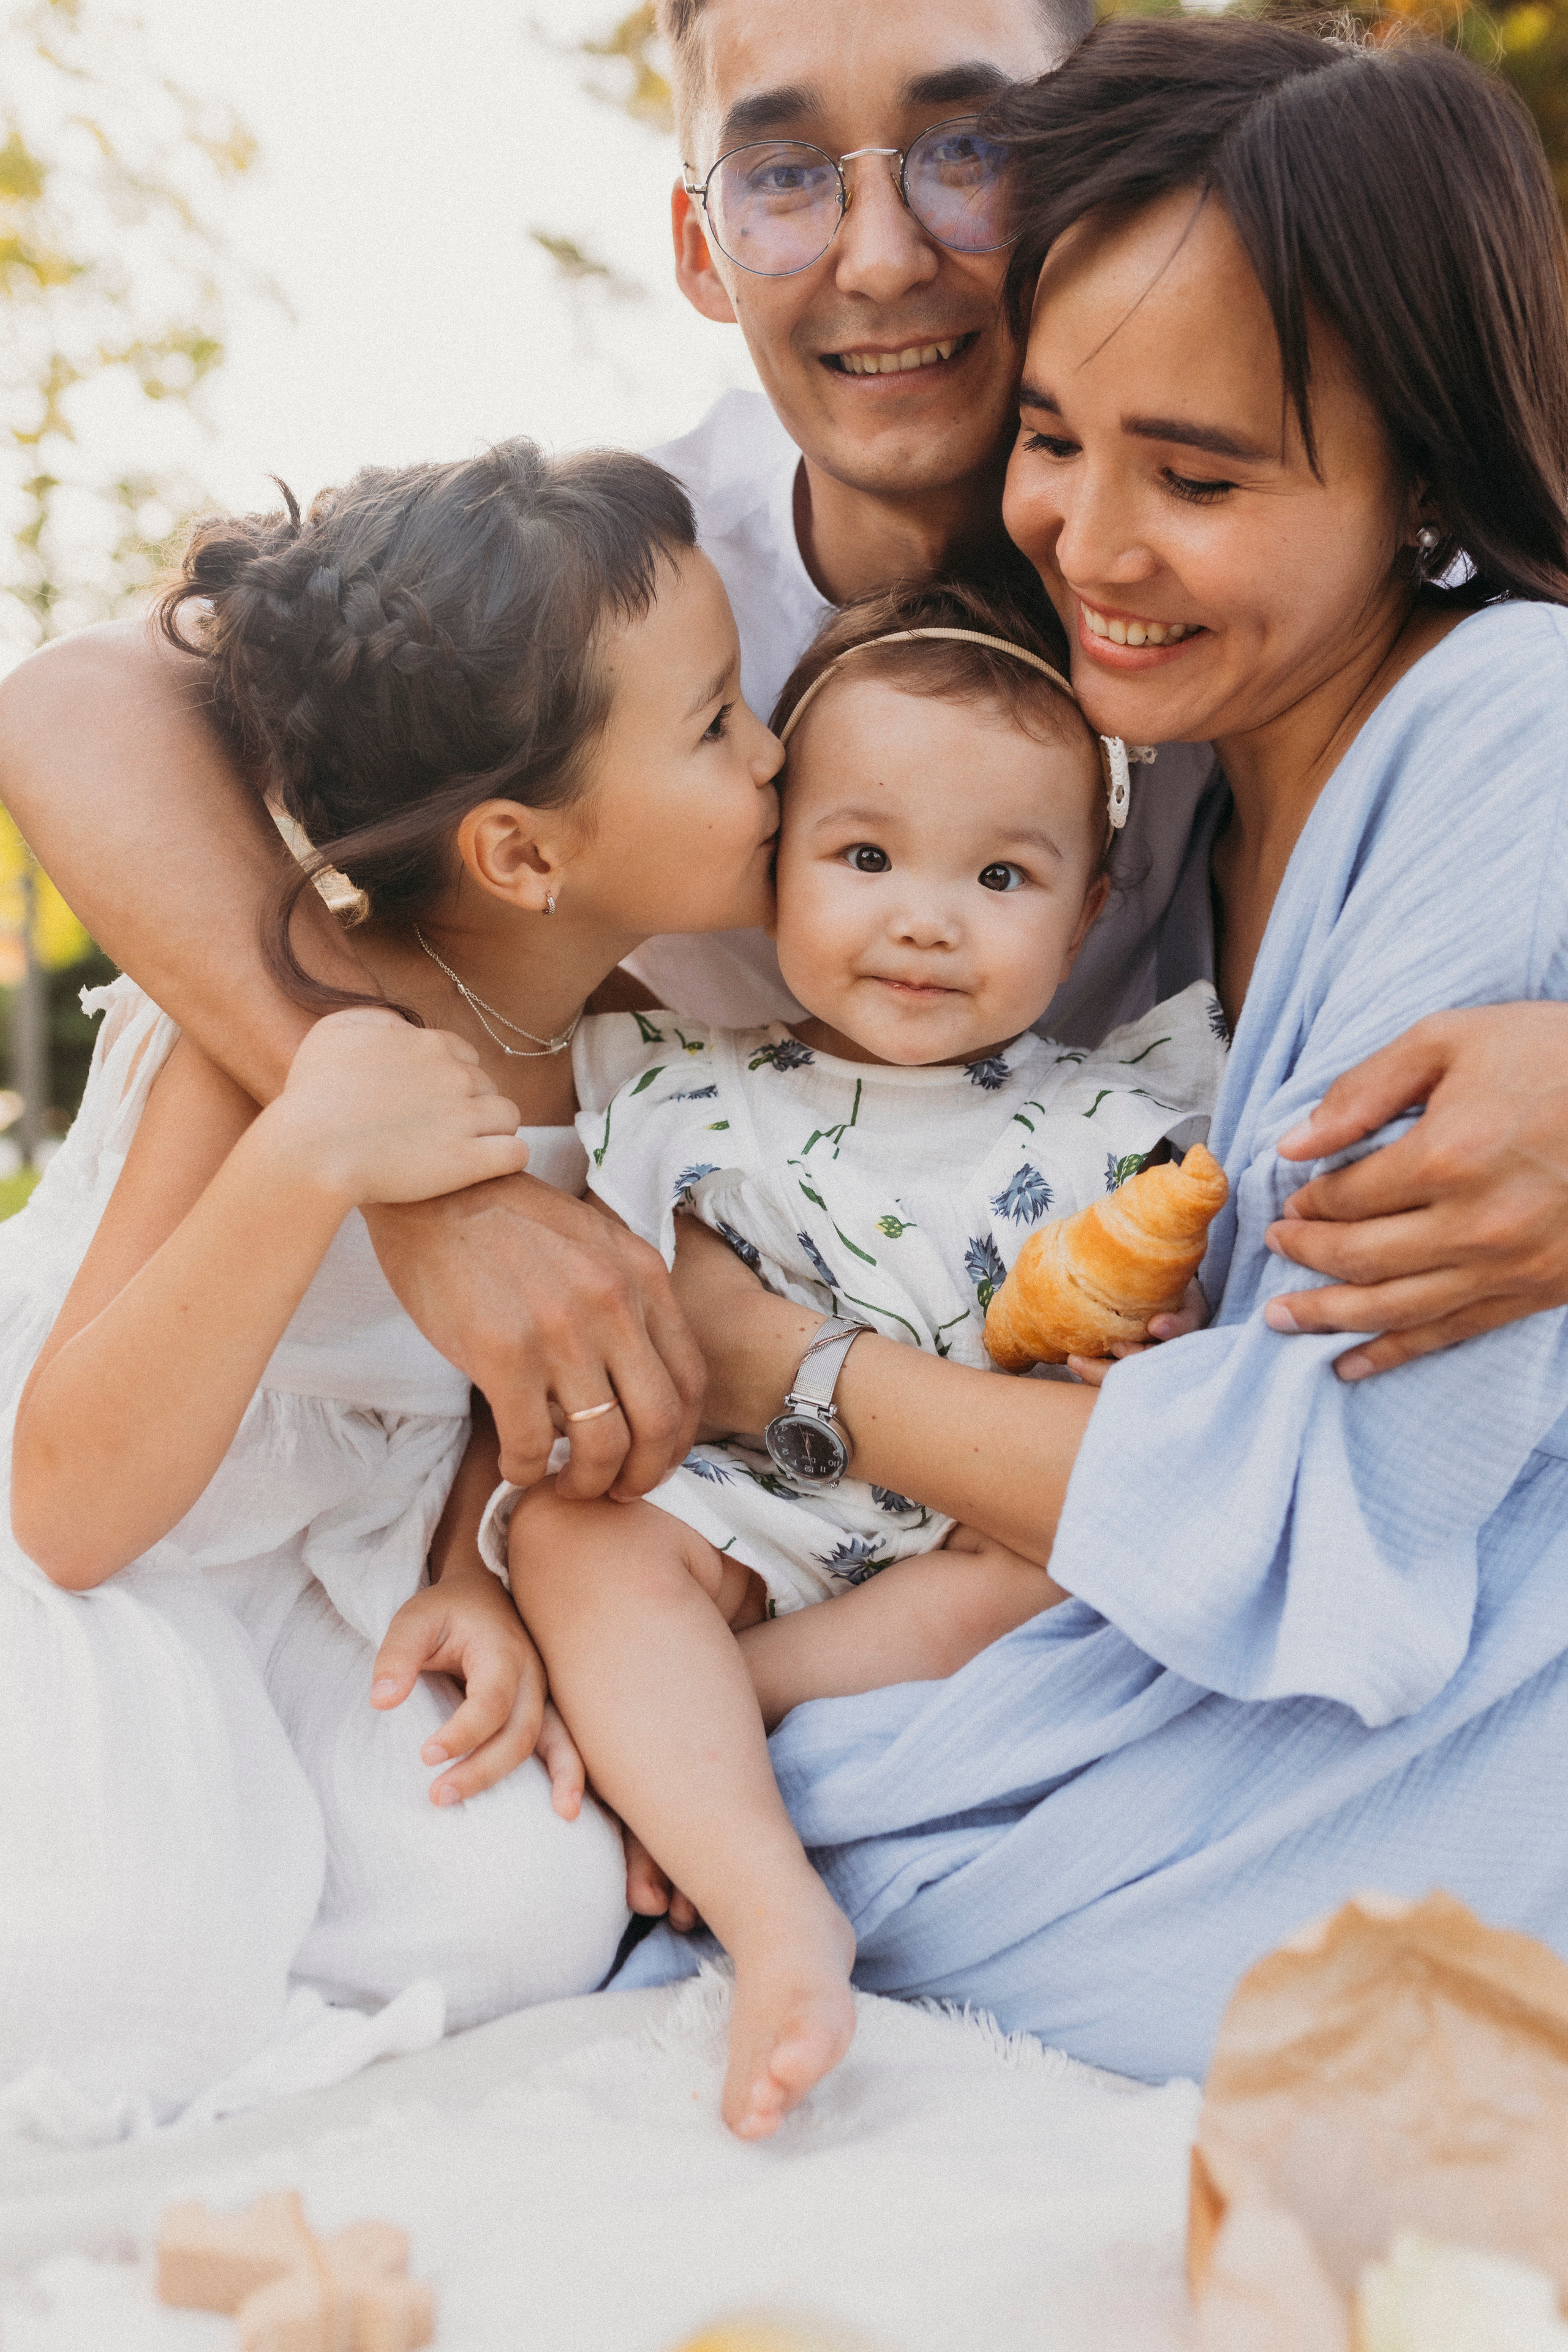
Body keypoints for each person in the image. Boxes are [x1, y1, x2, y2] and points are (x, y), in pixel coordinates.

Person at [2, 0, 1566, 1526]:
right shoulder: (641, 588)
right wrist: (432, 1180)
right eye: (782, 175)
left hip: (963, 1457)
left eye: (966, 146)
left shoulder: (1298, 580)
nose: (878, 258)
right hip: (683, 1478)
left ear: (1088, 178)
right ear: (700, 243)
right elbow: (82, 698)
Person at [620, 17, 1568, 2077]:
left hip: (1406, 1752)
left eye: (1201, 477)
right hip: (1059, 1636)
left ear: (1421, 468)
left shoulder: (1502, 733)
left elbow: (1319, 1505)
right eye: (1054, 438)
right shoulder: (1175, 779)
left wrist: (774, 1364)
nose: (1093, 544)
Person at [0, 440, 784, 2124]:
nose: (773, 753)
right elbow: (62, 1506)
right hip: (101, 1528)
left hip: (334, 1569)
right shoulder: (283, 1029)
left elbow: (526, 1394)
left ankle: (263, 1906)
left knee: (525, 1908)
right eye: (718, 724)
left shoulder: (639, 1057)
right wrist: (306, 1154)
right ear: (521, 853)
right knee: (107, 1960)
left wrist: (467, 1576)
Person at [500, 576, 1225, 2135]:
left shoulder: (1117, 1130)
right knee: (568, 1535)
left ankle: (700, 1721)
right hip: (744, 1515)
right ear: (774, 866)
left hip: (965, 1549)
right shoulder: (685, 1094)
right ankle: (777, 1913)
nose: (923, 918)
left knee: (1079, 1571)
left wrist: (1149, 1346)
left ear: (1092, 908)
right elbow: (567, 1358)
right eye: (866, 856)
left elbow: (1157, 1368)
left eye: (1002, 875)